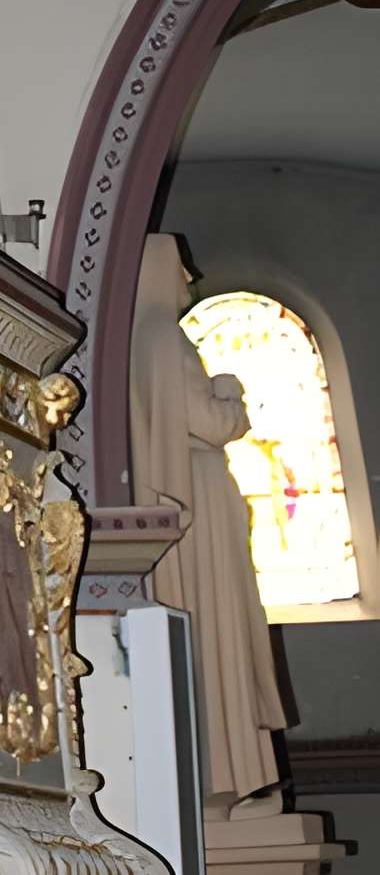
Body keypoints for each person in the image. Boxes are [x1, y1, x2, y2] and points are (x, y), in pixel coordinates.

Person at [130, 233, 288, 806]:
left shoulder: (135, 340)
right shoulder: (164, 339)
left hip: (175, 504)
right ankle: (225, 776)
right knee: (219, 628)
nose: (188, 282)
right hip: (197, 503)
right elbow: (214, 424)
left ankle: (217, 774)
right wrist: (230, 392)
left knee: (210, 631)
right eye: (181, 271)